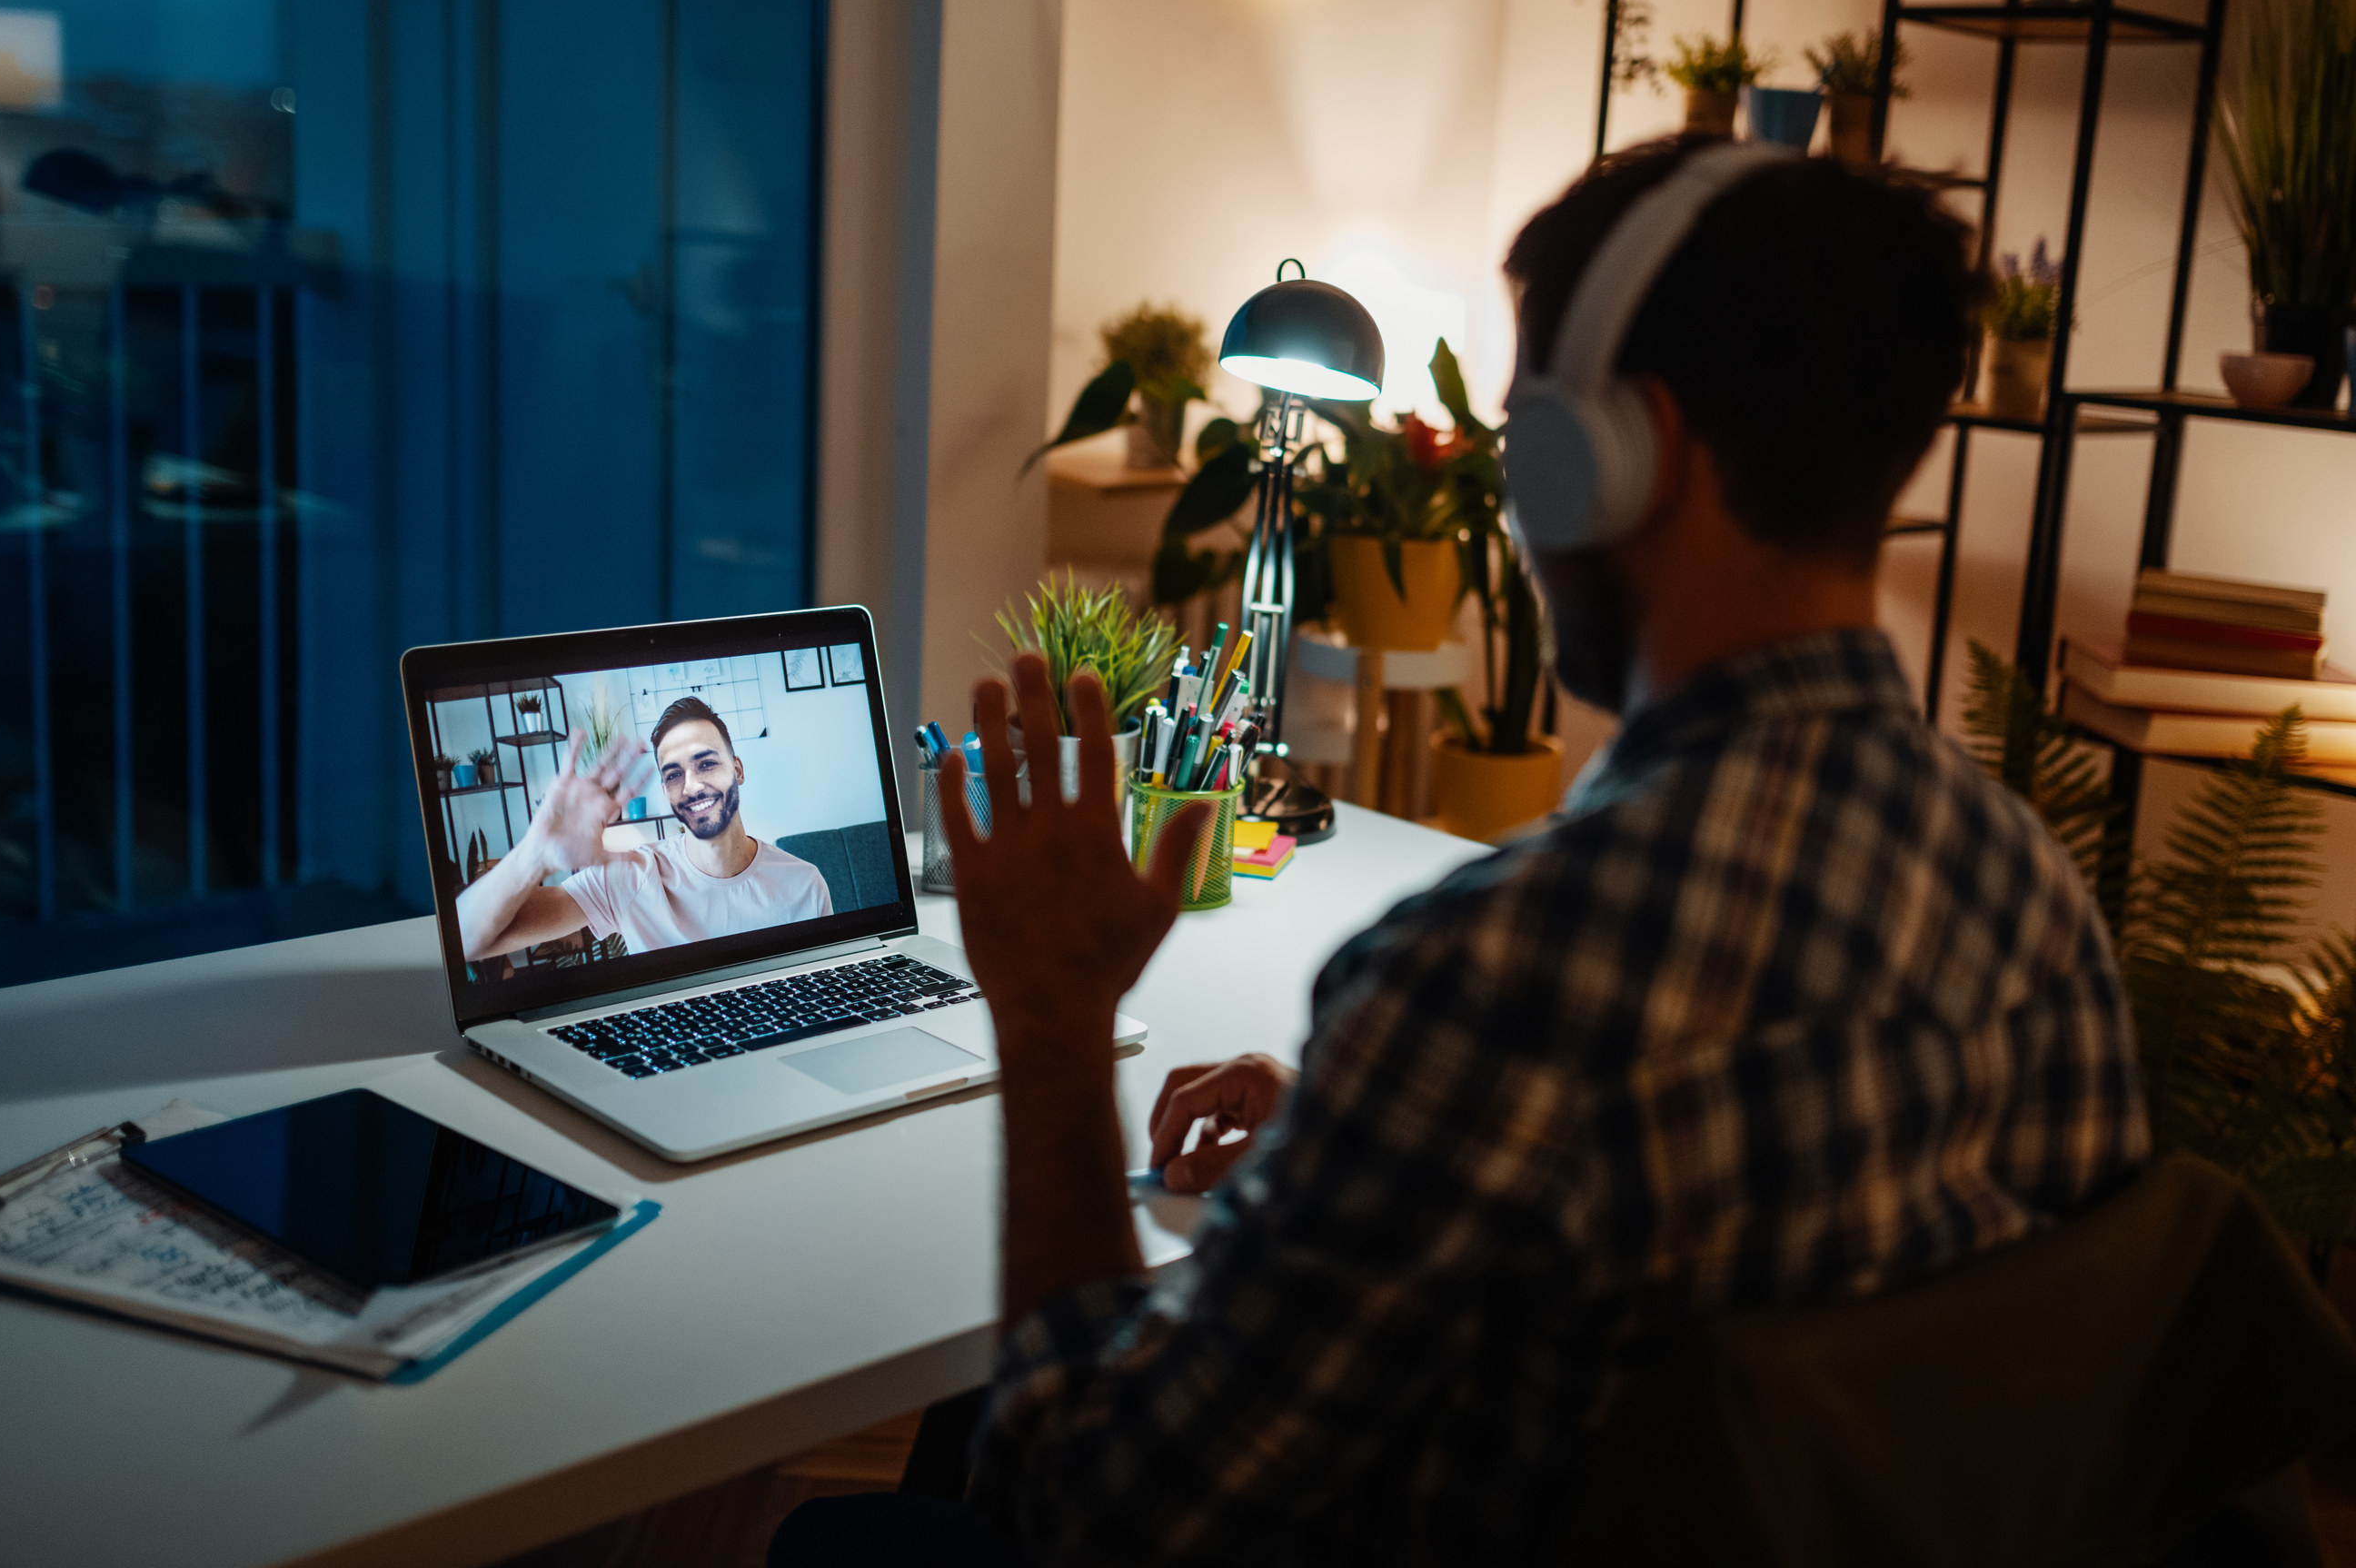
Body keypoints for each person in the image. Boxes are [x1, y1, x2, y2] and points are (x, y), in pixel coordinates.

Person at [775, 145, 2149, 1566]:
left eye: (1525, 431)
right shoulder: (2032, 903)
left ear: (1619, 455)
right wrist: (1357, 1130)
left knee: (846, 1539)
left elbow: (1098, 1511)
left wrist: (1056, 1026)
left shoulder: (1499, 971)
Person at [455, 694, 830, 962]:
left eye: (706, 764)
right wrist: (533, 855)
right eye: (673, 775)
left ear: (738, 769)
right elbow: (465, 941)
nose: (692, 786)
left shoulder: (804, 885)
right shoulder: (631, 875)